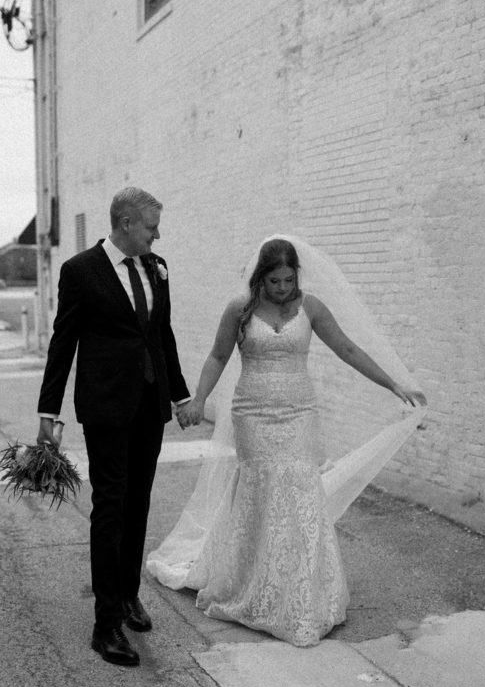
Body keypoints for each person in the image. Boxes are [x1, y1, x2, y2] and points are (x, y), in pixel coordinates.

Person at [148, 236, 426, 647]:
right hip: (254, 414)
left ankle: (302, 593)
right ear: (261, 276)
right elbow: (218, 356)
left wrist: (394, 384)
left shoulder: (310, 308)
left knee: (299, 494)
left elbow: (348, 348)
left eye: (288, 280)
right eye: (274, 281)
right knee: (264, 493)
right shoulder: (239, 310)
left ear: (297, 275)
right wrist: (200, 398)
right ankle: (254, 586)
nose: (281, 289)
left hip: (298, 414)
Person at [36, 186, 190, 666]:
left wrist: (180, 394)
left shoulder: (156, 266)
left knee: (139, 501)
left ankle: (127, 595)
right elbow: (64, 342)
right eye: (150, 226)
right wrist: (49, 413)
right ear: (125, 223)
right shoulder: (80, 271)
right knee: (110, 507)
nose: (156, 235)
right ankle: (105, 626)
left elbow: (161, 333)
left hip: (149, 406)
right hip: (106, 407)